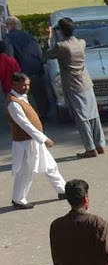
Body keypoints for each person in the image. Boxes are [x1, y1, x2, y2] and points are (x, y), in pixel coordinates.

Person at [44, 18, 105, 157]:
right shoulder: (81, 42)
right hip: (86, 82)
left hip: (73, 85)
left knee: (81, 118)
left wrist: (48, 39)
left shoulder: (61, 46)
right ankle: (99, 144)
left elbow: (46, 55)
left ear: (61, 31)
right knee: (93, 115)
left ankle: (90, 148)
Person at [7, 75, 65, 209]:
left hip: (33, 141)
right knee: (24, 172)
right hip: (24, 143)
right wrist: (44, 139)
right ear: (14, 84)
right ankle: (18, 199)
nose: (26, 88)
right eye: (23, 85)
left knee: (50, 166)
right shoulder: (13, 103)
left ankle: (62, 190)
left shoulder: (21, 97)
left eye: (27, 85)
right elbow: (25, 125)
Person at [5, 16, 48, 116]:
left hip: (22, 71)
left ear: (12, 25)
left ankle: (29, 116)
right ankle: (43, 114)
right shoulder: (29, 35)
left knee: (23, 96)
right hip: (36, 69)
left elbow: (10, 56)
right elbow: (39, 51)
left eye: (7, 25)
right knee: (40, 95)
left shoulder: (8, 37)